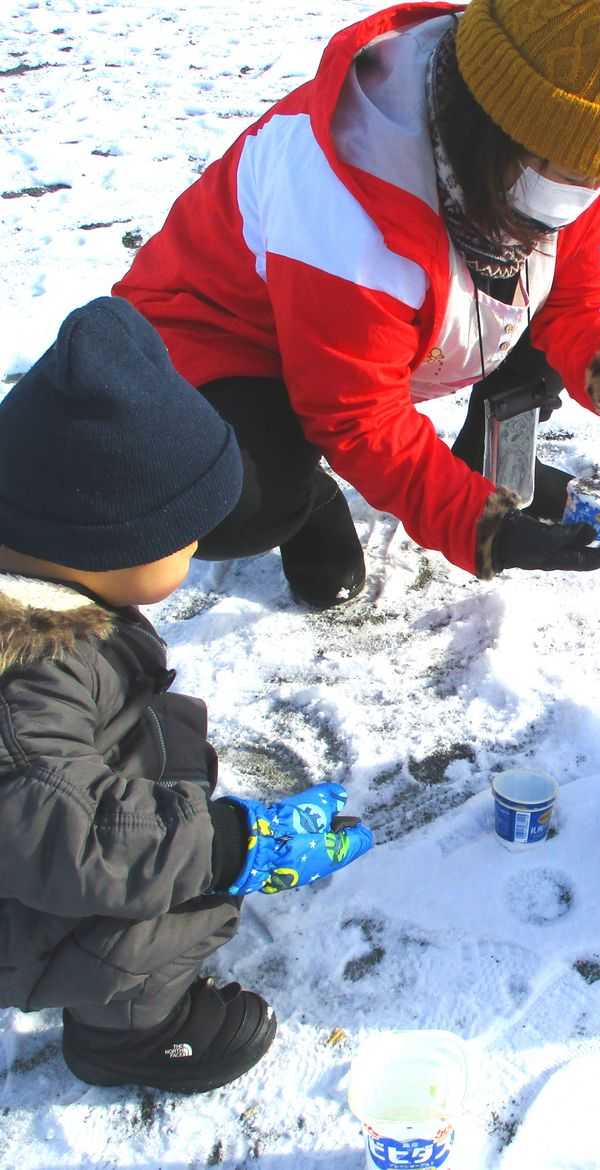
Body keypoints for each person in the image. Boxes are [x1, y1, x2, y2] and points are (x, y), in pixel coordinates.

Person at [112, 0, 600, 609]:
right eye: (554, 169)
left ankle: (494, 462)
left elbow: (579, 288)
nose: (574, 196)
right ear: (489, 117)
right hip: (224, 340)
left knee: (533, 307)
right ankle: (303, 495)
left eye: (595, 176)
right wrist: (481, 529)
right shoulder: (343, 203)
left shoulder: (558, 137)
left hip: (382, 328)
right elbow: (358, 415)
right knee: (228, 503)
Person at [0, 298, 374, 1092]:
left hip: (42, 842)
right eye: (185, 534)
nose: (199, 546)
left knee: (158, 789)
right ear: (106, 538)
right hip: (29, 881)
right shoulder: (23, 688)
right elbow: (75, 835)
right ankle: (133, 1033)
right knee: (175, 896)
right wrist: (225, 847)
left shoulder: (44, 574)